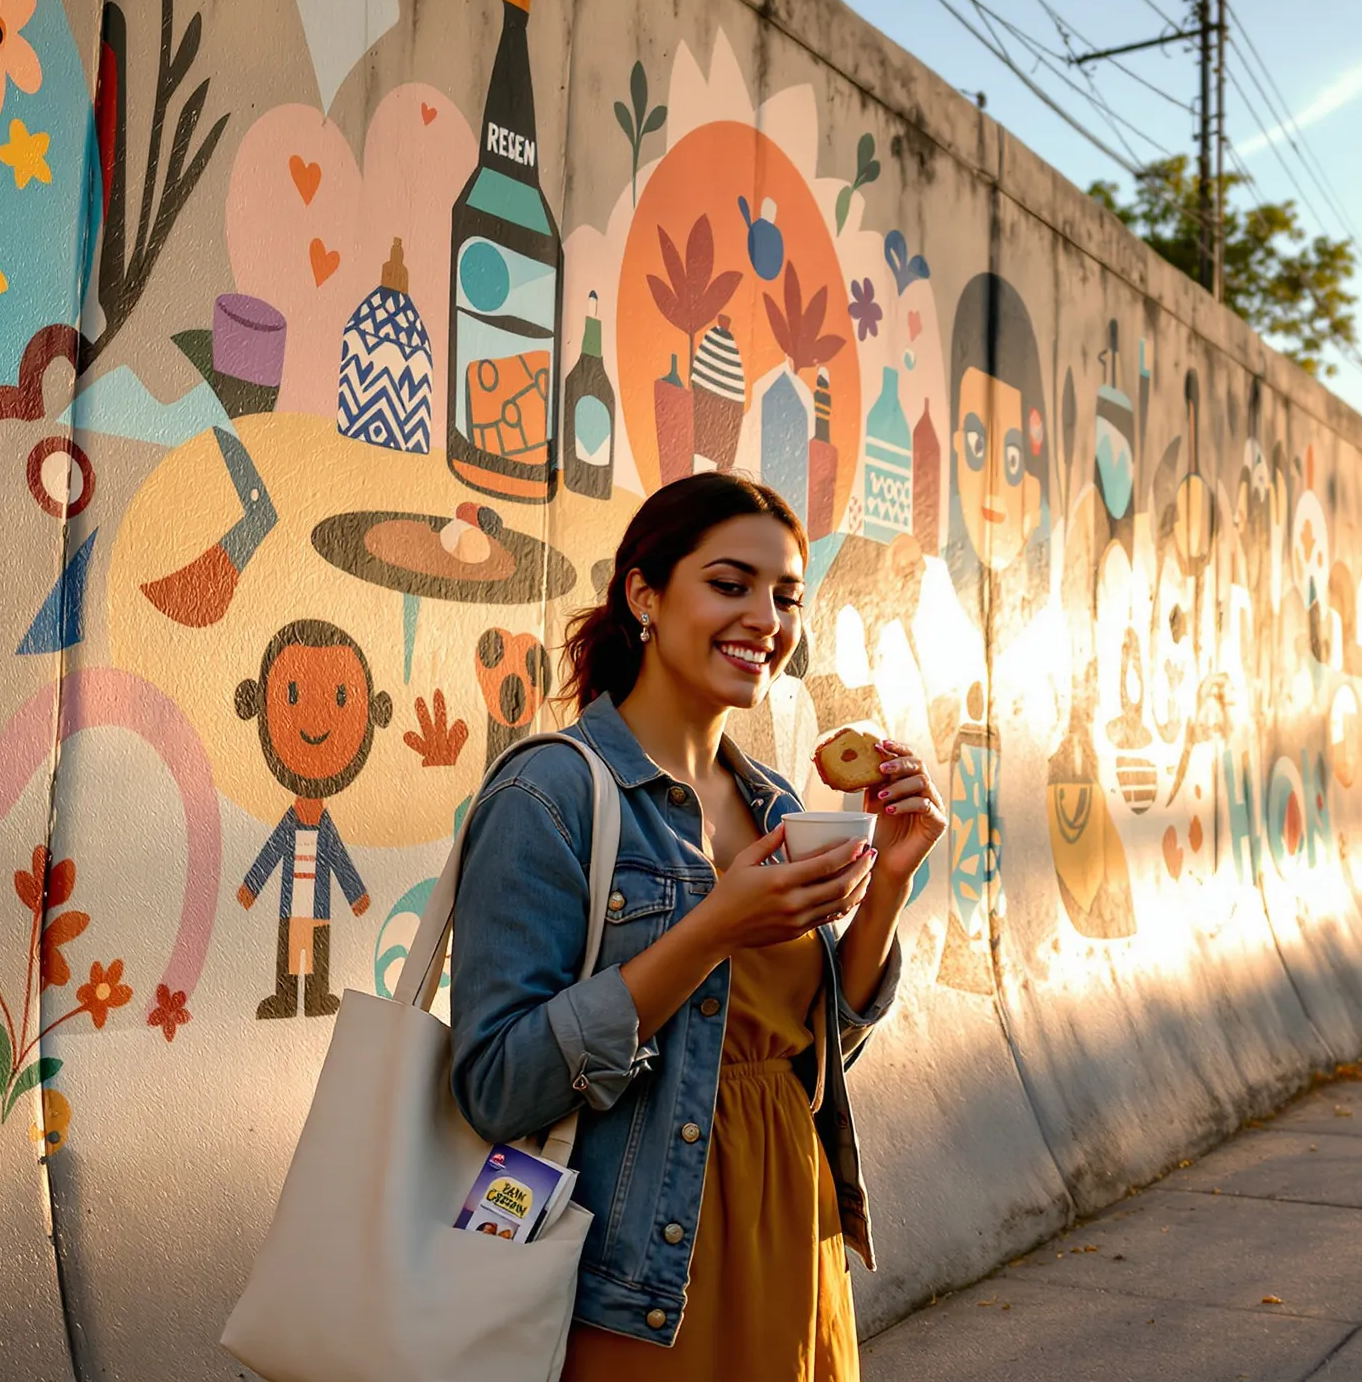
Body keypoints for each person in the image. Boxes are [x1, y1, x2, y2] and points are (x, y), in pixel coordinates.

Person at [447, 473, 947, 1378]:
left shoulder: (776, 805)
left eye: (786, 595)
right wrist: (713, 927)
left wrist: (887, 890)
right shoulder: (548, 794)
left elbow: (801, 1059)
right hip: (641, 1281)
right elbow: (497, 1084)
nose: (766, 617)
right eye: (730, 584)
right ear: (645, 593)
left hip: (794, 1247)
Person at [234, 619, 378, 1019]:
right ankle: (286, 997)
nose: (316, 719)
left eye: (339, 697)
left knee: (316, 951)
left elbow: (339, 859)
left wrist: (356, 894)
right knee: (290, 949)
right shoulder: (290, 822)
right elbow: (271, 853)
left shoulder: (324, 825)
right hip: (289, 905)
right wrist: (251, 885)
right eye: (293, 695)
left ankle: (316, 997)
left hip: (318, 905)